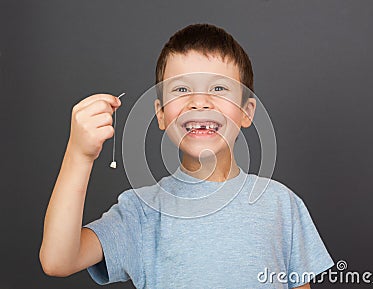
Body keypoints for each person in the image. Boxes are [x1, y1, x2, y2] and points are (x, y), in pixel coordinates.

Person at [39, 23, 334, 288]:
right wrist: (79, 155)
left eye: (219, 88)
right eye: (181, 89)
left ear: (246, 111)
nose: (199, 102)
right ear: (161, 114)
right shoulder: (141, 213)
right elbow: (57, 261)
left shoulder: (282, 205)